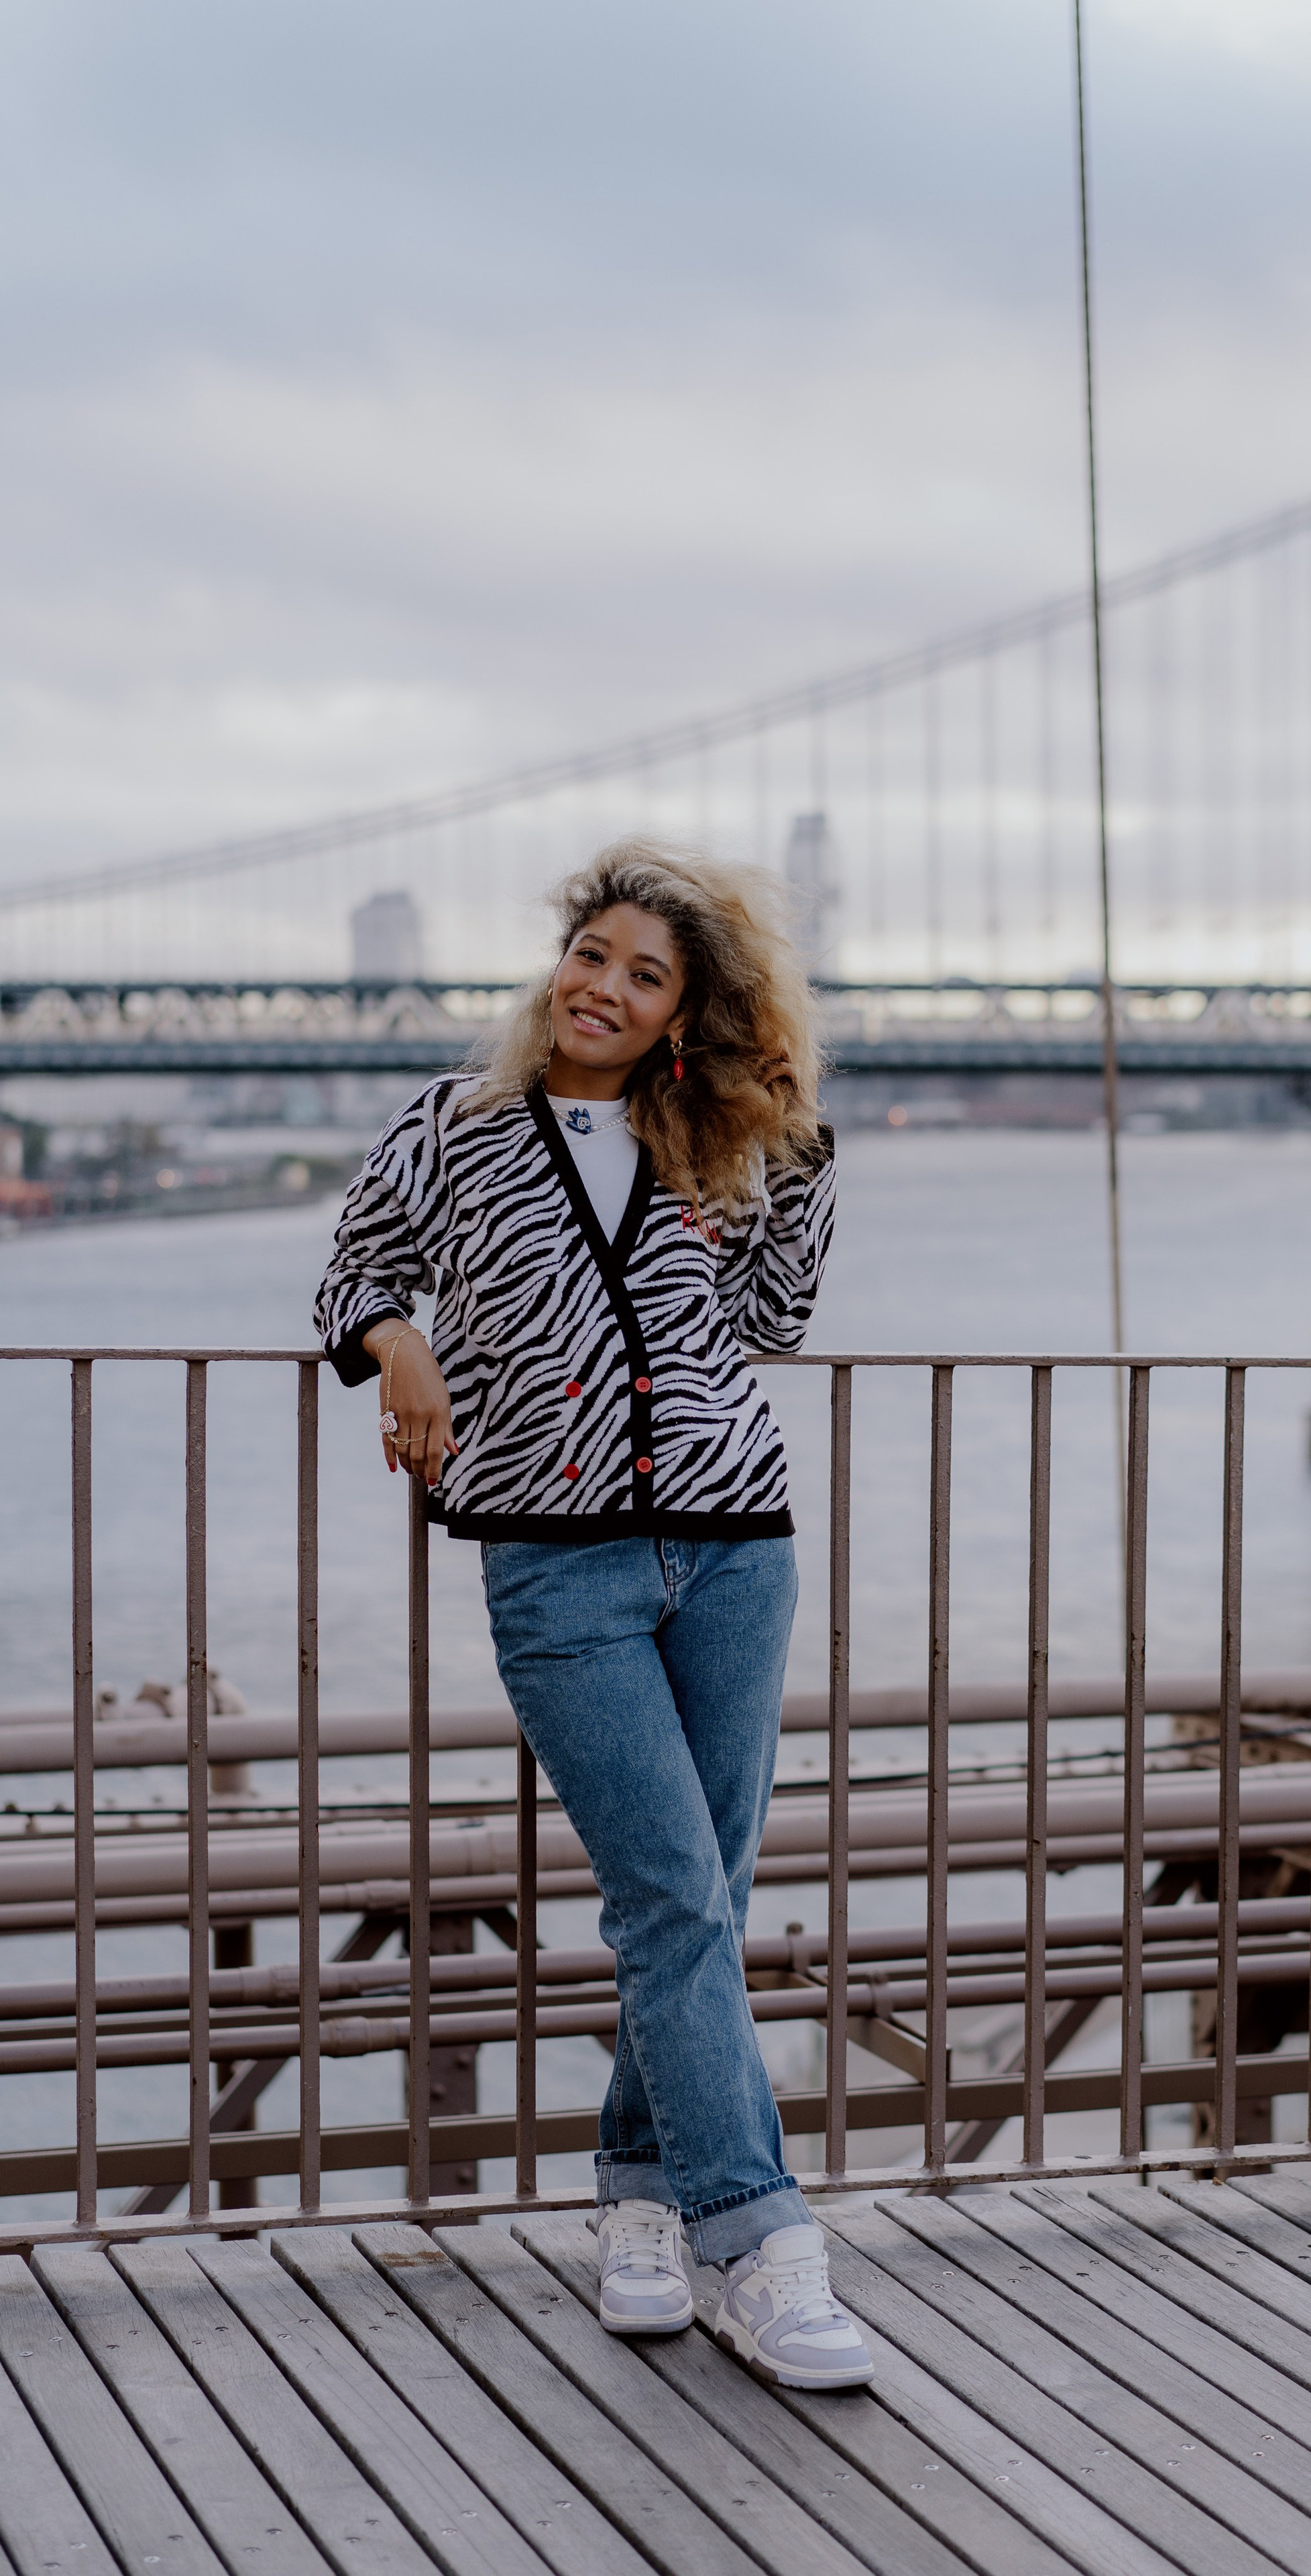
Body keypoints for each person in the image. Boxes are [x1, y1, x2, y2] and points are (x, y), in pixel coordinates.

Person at [314, 838, 873, 2392]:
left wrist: (804, 1149)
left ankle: (639, 2202)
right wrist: (401, 1351)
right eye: (592, 955)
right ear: (557, 962)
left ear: (682, 1012)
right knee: (672, 1896)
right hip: (557, 1565)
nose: (603, 989)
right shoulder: (458, 1122)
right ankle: (761, 2246)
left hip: (735, 1546)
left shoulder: (711, 1133)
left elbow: (773, 1320)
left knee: (703, 1896)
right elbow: (356, 1268)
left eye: (645, 976)